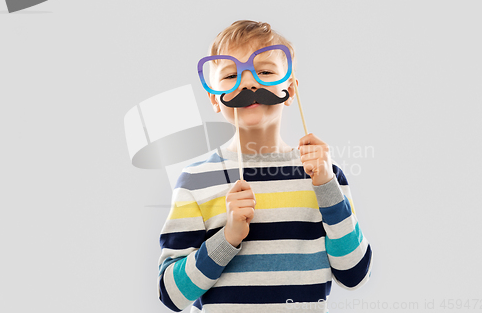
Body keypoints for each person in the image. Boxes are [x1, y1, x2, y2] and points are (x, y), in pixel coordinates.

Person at [158, 20, 373, 312]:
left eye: (265, 71)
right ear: (214, 99)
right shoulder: (195, 181)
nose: (248, 83)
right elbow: (171, 294)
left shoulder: (324, 174)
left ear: (291, 89)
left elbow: (354, 275)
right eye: (232, 75)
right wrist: (228, 236)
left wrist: (325, 187)